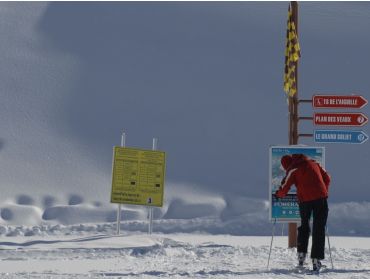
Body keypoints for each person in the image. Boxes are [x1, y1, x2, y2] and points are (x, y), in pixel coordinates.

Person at [275, 154, 331, 272]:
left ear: (286, 165)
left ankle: (301, 255)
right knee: (319, 228)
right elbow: (327, 178)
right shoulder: (314, 163)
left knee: (304, 226)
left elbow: (284, 187)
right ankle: (316, 260)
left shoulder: (292, 169)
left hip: (305, 200)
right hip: (320, 198)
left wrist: (278, 195)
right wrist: (323, 191)